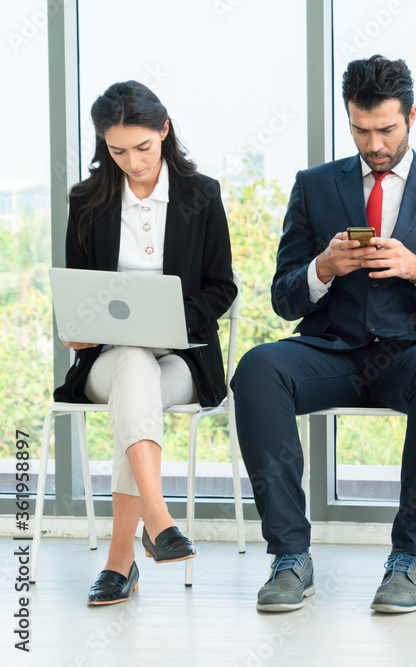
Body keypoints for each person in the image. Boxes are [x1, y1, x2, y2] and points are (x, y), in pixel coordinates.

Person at [230, 55, 416, 614]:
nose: (373, 144)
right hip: (334, 351)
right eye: (360, 129)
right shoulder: (314, 185)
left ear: (412, 116)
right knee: (257, 366)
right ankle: (290, 557)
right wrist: (322, 268)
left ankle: (408, 559)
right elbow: (283, 298)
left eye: (386, 130)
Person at [54, 81, 237, 605]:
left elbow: (221, 287)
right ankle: (157, 518)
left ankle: (121, 561)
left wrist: (171, 322)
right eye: (116, 151)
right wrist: (79, 326)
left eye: (142, 147)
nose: (132, 162)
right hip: (106, 362)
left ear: (164, 129)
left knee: (136, 399)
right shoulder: (87, 201)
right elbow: (79, 294)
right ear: (103, 145)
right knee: (132, 363)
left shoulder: (201, 195)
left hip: (181, 359)